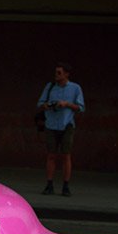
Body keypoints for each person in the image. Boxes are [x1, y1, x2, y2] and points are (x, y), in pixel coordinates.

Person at [37, 61, 86, 196]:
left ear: (66, 74)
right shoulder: (50, 87)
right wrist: (47, 105)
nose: (56, 75)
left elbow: (81, 108)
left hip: (67, 124)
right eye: (56, 72)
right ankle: (49, 184)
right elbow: (40, 103)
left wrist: (67, 104)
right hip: (51, 124)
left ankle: (65, 185)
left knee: (66, 155)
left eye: (59, 73)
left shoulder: (75, 88)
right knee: (51, 155)